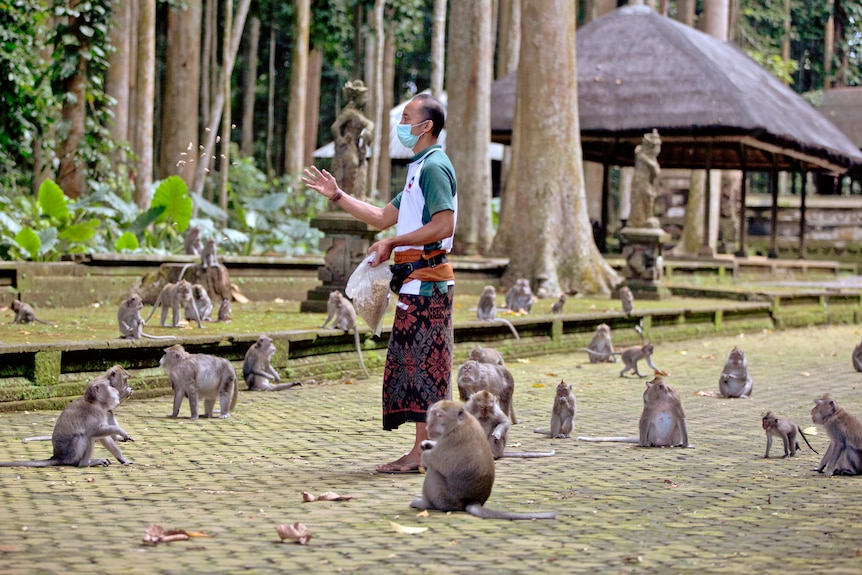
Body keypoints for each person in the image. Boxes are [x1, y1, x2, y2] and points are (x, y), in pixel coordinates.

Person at [302, 93, 457, 474]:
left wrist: (393, 243)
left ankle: (426, 453)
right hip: (411, 281)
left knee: (425, 368)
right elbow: (380, 218)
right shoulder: (418, 168)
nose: (401, 125)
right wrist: (337, 196)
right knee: (412, 366)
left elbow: (444, 225)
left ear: (427, 127)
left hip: (427, 282)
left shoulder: (435, 166)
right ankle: (423, 449)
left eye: (407, 118)